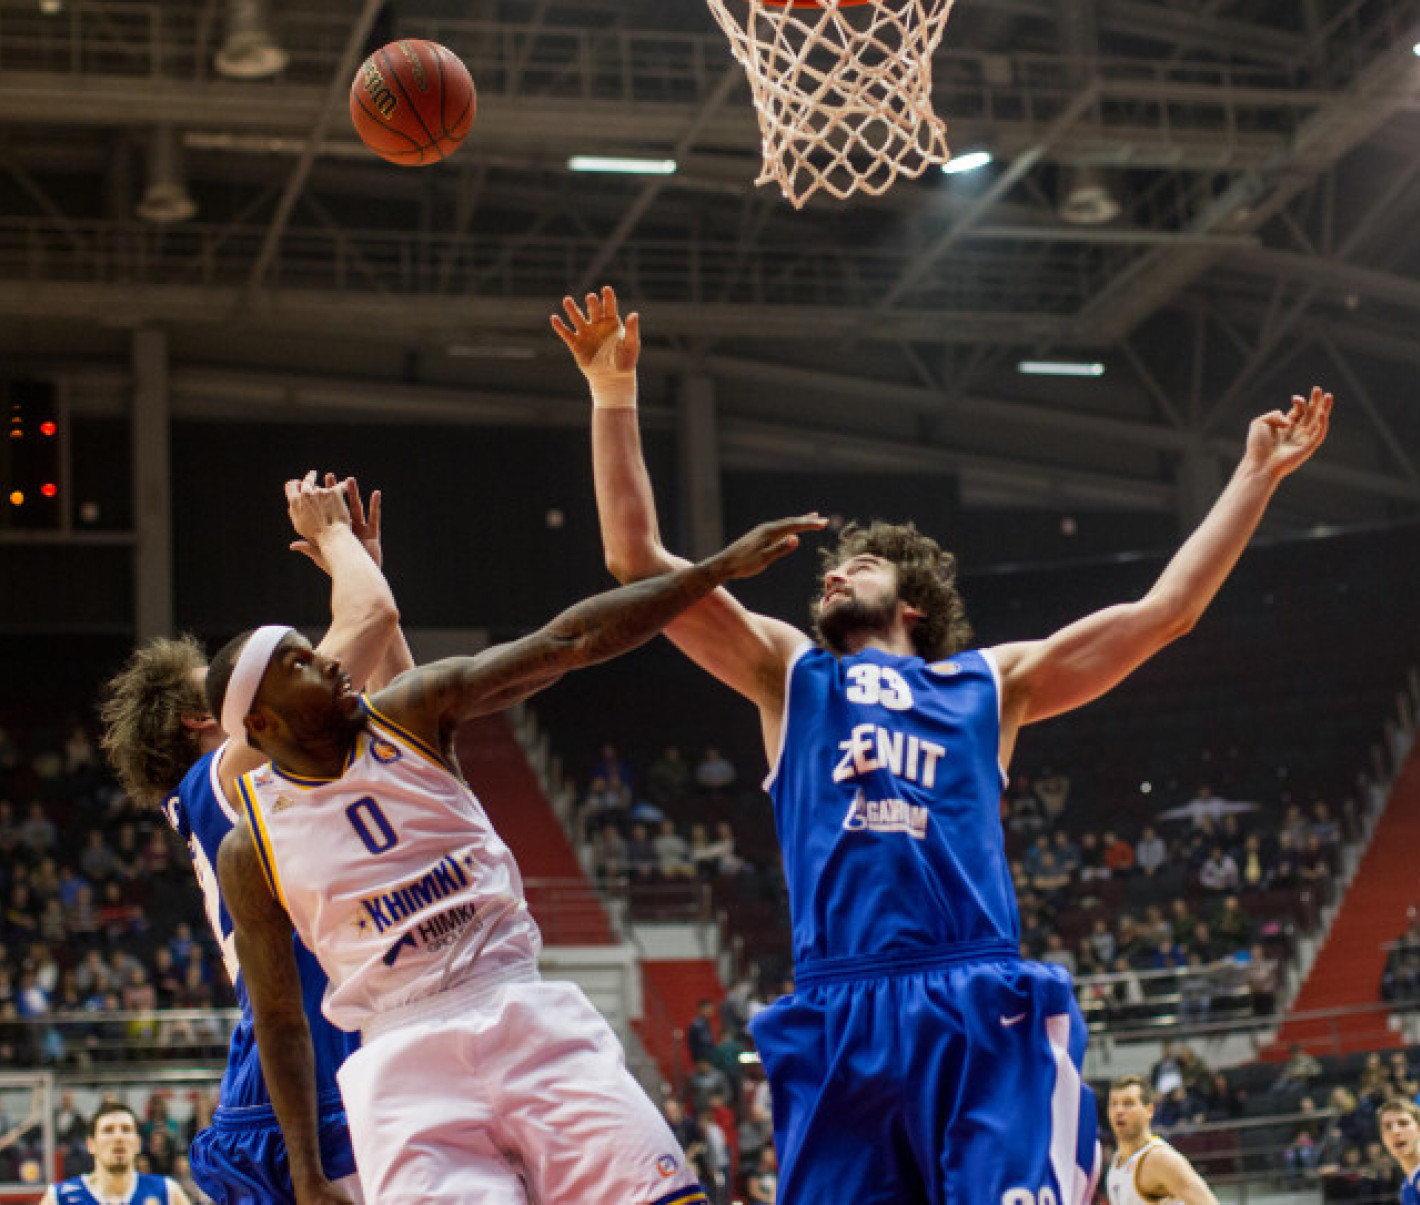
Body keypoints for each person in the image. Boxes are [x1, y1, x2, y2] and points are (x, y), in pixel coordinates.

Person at [559, 284, 1332, 1203]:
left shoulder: (989, 684)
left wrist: (1256, 475)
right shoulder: (789, 673)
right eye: (833, 568)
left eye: (863, 564)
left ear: (912, 604)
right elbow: (636, 562)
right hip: (840, 1004)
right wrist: (614, 397)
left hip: (976, 999)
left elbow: (1166, 614)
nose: (837, 570)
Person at [211, 507, 819, 1204]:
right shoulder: (250, 845)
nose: (327, 657)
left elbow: (570, 639)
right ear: (262, 722)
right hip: (403, 1066)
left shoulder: (409, 710)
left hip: (520, 1008)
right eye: (300, 662)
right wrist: (311, 1174)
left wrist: (712, 573)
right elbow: (281, 1018)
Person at [101, 472, 407, 1205]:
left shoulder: (268, 776)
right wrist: (339, 547)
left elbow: (404, 712)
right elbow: (363, 622)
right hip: (304, 1069)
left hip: (330, 1050)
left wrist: (368, 574)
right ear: (202, 719)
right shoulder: (221, 778)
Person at [40, 1101, 190, 1205]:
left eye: (126, 1129)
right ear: (91, 1144)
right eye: (108, 1130)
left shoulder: (167, 1191)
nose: (118, 1137)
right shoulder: (60, 1197)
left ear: (137, 1143)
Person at [1106, 1076, 1220, 1205]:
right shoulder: (1117, 1160)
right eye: (1113, 1104)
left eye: (1128, 1103)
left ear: (1149, 1110)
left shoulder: (1159, 1158)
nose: (1119, 1111)